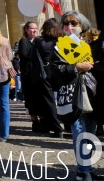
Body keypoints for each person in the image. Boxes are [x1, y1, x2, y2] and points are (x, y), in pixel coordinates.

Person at [51, 11, 104, 181]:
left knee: (90, 134)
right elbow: (53, 70)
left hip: (92, 95)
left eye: (74, 23)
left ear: (82, 25)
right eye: (66, 24)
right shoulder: (59, 47)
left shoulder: (90, 45)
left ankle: (86, 168)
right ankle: (83, 171)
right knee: (79, 133)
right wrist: (74, 67)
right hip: (73, 95)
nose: (69, 27)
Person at [31, 18, 64, 138]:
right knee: (64, 99)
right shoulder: (61, 40)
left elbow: (33, 57)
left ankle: (57, 129)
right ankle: (69, 125)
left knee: (49, 102)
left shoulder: (39, 40)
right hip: (60, 71)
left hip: (45, 73)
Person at [17, 21, 45, 132]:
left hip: (39, 74)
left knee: (41, 98)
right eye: (32, 28)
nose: (34, 30)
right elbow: (24, 55)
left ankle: (43, 120)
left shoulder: (39, 41)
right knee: (31, 99)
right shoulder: (24, 41)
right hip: (28, 75)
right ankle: (35, 122)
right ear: (26, 30)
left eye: (36, 28)